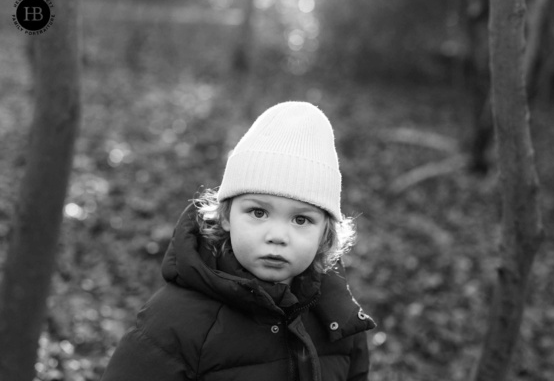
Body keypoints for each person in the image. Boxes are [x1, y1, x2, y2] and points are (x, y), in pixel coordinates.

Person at [101, 101, 375, 381]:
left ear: (325, 234)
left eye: (301, 220)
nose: (277, 236)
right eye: (259, 212)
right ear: (226, 216)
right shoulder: (174, 323)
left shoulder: (336, 316)